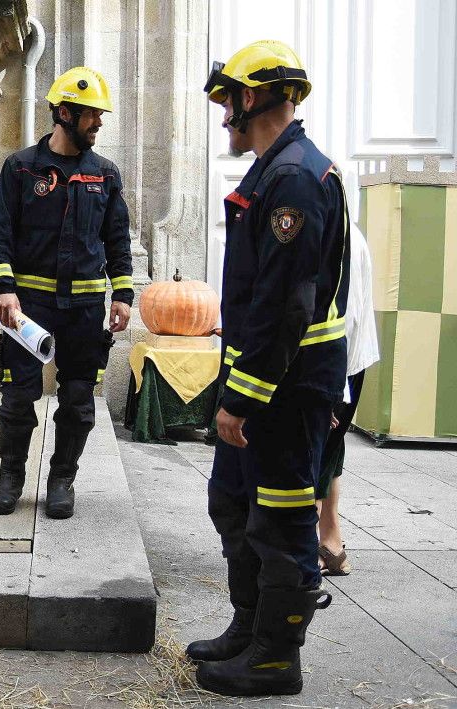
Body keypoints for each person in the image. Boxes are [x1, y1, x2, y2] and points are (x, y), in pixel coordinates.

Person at [188, 40, 350, 697]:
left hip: (286, 386)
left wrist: (240, 399)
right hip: (262, 379)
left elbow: (288, 306)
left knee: (282, 519)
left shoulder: (293, 179)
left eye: (228, 99)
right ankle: (249, 626)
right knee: (232, 500)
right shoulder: (275, 171)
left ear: (250, 97)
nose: (224, 113)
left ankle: (277, 657)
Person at [0, 66, 133, 520]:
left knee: (76, 401)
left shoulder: (105, 175)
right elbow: (0, 232)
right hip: (29, 311)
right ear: (64, 113)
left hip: (85, 313)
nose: (99, 123)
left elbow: (118, 239)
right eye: (92, 115)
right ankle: (11, 477)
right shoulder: (22, 167)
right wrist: (4, 289)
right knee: (17, 398)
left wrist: (123, 295)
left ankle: (62, 479)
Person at [316, 222, 378, 576]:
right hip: (342, 364)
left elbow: (346, 315)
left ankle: (308, 551)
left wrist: (333, 390)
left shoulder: (339, 237)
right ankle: (331, 542)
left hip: (336, 366)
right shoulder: (344, 229)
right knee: (330, 450)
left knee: (313, 455)